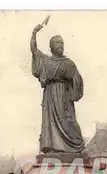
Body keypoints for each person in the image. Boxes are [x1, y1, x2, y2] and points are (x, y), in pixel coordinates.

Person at [30, 23, 85, 154]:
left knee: (68, 122)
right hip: (50, 97)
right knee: (50, 124)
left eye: (62, 43)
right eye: (57, 43)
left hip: (63, 98)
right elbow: (34, 50)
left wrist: (73, 88)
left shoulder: (68, 63)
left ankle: (75, 145)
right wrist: (34, 33)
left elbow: (77, 80)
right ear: (51, 47)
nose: (60, 46)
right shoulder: (46, 61)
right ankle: (53, 147)